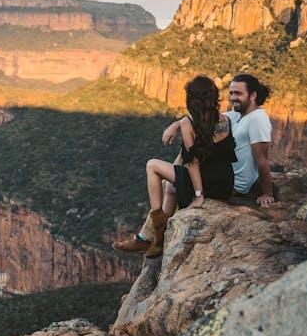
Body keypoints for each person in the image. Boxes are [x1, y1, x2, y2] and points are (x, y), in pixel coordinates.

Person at [113, 75, 237, 258]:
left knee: (152, 165)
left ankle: (157, 221)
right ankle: (156, 241)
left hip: (206, 185)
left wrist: (198, 195)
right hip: (225, 184)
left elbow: (193, 163)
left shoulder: (188, 123)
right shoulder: (225, 120)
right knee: (171, 187)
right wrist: (176, 123)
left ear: (191, 100)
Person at [161, 73, 276, 207]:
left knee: (173, 180)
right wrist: (176, 125)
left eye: (238, 93)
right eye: (231, 93)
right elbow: (200, 119)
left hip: (232, 183)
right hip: (222, 174)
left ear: (253, 95)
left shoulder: (258, 120)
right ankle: (161, 222)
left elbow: (262, 160)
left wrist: (267, 193)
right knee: (171, 179)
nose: (233, 98)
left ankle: (160, 223)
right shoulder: (235, 114)